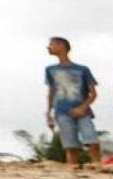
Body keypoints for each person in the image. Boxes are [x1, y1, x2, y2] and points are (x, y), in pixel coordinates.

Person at [45, 36, 101, 165]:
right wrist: (49, 112)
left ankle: (98, 166)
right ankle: (73, 171)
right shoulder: (50, 70)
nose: (49, 47)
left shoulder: (82, 69)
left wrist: (82, 107)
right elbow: (51, 92)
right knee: (70, 145)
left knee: (92, 139)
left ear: (62, 46)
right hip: (61, 111)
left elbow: (93, 93)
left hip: (83, 110)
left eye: (52, 44)